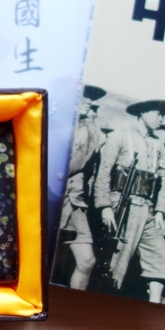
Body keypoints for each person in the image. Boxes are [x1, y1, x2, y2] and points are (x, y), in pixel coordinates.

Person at [93, 99, 165, 303]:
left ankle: (154, 304)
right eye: (157, 114)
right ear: (143, 113)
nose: (161, 119)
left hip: (147, 211)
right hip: (124, 207)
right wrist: (105, 206)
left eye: (163, 115)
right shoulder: (120, 136)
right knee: (116, 264)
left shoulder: (158, 145)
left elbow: (161, 182)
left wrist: (160, 211)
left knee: (162, 261)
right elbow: (103, 172)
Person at [58, 86, 107, 289]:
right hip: (49, 200)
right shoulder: (54, 125)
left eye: (91, 101)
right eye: (83, 97)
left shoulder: (88, 132)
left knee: (87, 261)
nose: (89, 102)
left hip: (74, 202)